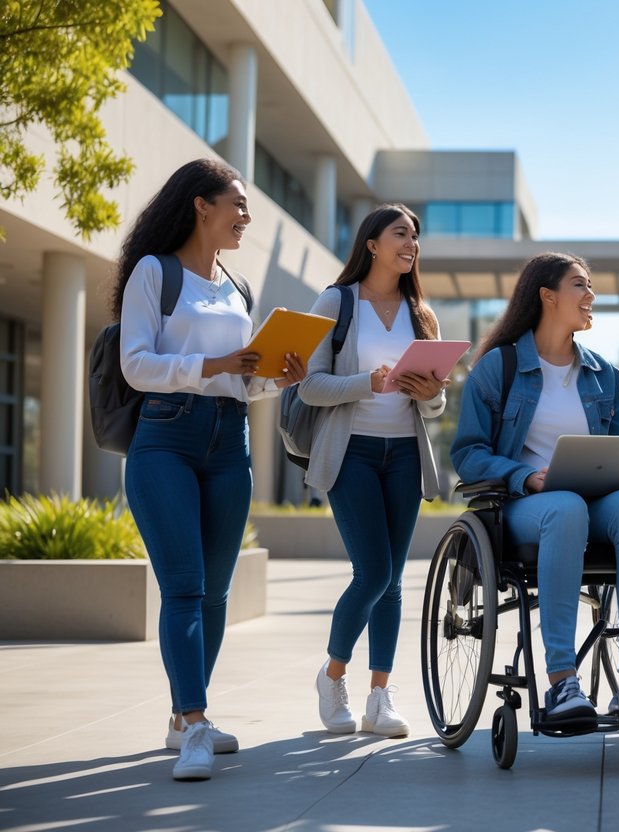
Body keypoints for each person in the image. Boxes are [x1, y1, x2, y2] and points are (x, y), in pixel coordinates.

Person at [116, 158, 305, 781]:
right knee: (185, 587)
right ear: (201, 206)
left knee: (217, 592)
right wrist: (214, 360)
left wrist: (276, 379)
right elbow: (136, 366)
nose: (247, 217)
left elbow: (241, 382)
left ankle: (180, 718)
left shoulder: (239, 286)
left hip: (230, 442)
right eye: (238, 205)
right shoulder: (155, 272)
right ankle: (195, 722)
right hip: (166, 438)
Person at [450, 252, 619, 723]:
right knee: (565, 508)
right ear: (548, 296)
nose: (592, 296)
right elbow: (468, 453)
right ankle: (562, 683)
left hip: (596, 504)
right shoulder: (498, 368)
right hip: (524, 507)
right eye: (581, 285)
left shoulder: (603, 374)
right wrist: (524, 475)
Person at [299, 204, 448, 738]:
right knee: (375, 572)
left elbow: (434, 409)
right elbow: (310, 385)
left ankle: (379, 698)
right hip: (352, 453)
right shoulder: (337, 302)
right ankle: (333, 673)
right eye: (401, 233)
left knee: (393, 581)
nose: (412, 243)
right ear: (372, 244)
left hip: (404, 454)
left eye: (416, 236)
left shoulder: (422, 314)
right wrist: (368, 382)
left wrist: (433, 395)